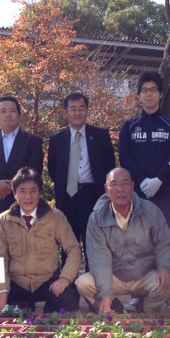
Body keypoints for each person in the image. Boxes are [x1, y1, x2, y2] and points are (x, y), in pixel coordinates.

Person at [0, 167, 81, 313]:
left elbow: (73, 249)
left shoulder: (56, 217)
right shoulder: (4, 219)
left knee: (70, 297)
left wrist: (64, 279)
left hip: (46, 281)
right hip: (16, 282)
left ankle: (47, 308)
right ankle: (18, 303)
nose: (28, 197)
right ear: (14, 194)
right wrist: (2, 291)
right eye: (22, 191)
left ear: (40, 193)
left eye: (33, 191)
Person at [119, 71, 170, 312]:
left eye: (153, 90)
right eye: (144, 90)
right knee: (138, 245)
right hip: (137, 196)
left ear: (160, 94)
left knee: (164, 242)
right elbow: (125, 156)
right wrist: (142, 180)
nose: (149, 94)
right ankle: (138, 293)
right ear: (138, 95)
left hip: (163, 194)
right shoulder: (129, 126)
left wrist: (158, 179)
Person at [75, 168, 170, 314]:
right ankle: (113, 307)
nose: (120, 189)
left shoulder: (150, 210)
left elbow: (164, 243)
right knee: (83, 283)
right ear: (106, 189)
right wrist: (106, 294)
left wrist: (165, 269)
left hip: (144, 274)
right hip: (114, 275)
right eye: (114, 184)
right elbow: (100, 259)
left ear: (133, 186)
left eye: (125, 183)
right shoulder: (97, 218)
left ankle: (148, 311)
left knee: (168, 285)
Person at [48, 92, 116, 268]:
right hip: (67, 197)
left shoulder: (100, 135)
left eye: (81, 109)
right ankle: (68, 285)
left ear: (86, 111)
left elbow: (110, 166)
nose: (77, 113)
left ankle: (92, 284)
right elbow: (53, 169)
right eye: (73, 109)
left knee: (92, 242)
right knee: (67, 242)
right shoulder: (57, 140)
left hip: (92, 195)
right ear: (66, 112)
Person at [0, 96, 43, 246]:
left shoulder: (33, 142)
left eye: (12, 111)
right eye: (3, 111)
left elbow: (35, 169)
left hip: (23, 204)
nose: (8, 114)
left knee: (22, 248)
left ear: (20, 115)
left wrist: (11, 188)